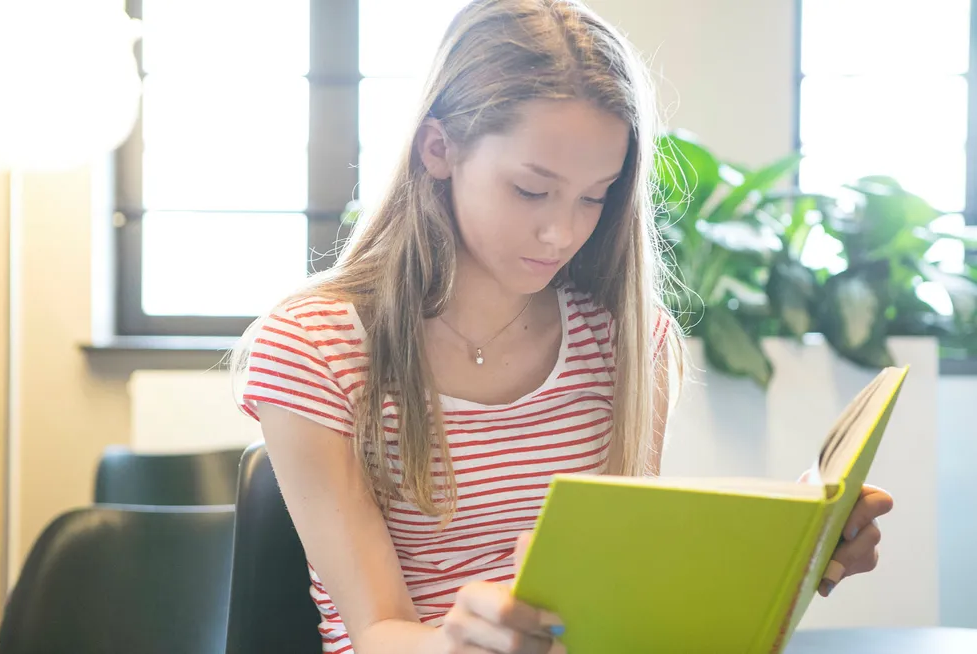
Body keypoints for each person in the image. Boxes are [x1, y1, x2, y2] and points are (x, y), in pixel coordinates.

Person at [232, 1, 894, 652]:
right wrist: (463, 644)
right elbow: (376, 630)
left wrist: (793, 555)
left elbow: (621, 587)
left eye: (594, 196)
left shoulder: (628, 340)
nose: (563, 232)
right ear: (438, 148)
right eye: (530, 189)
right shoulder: (314, 347)